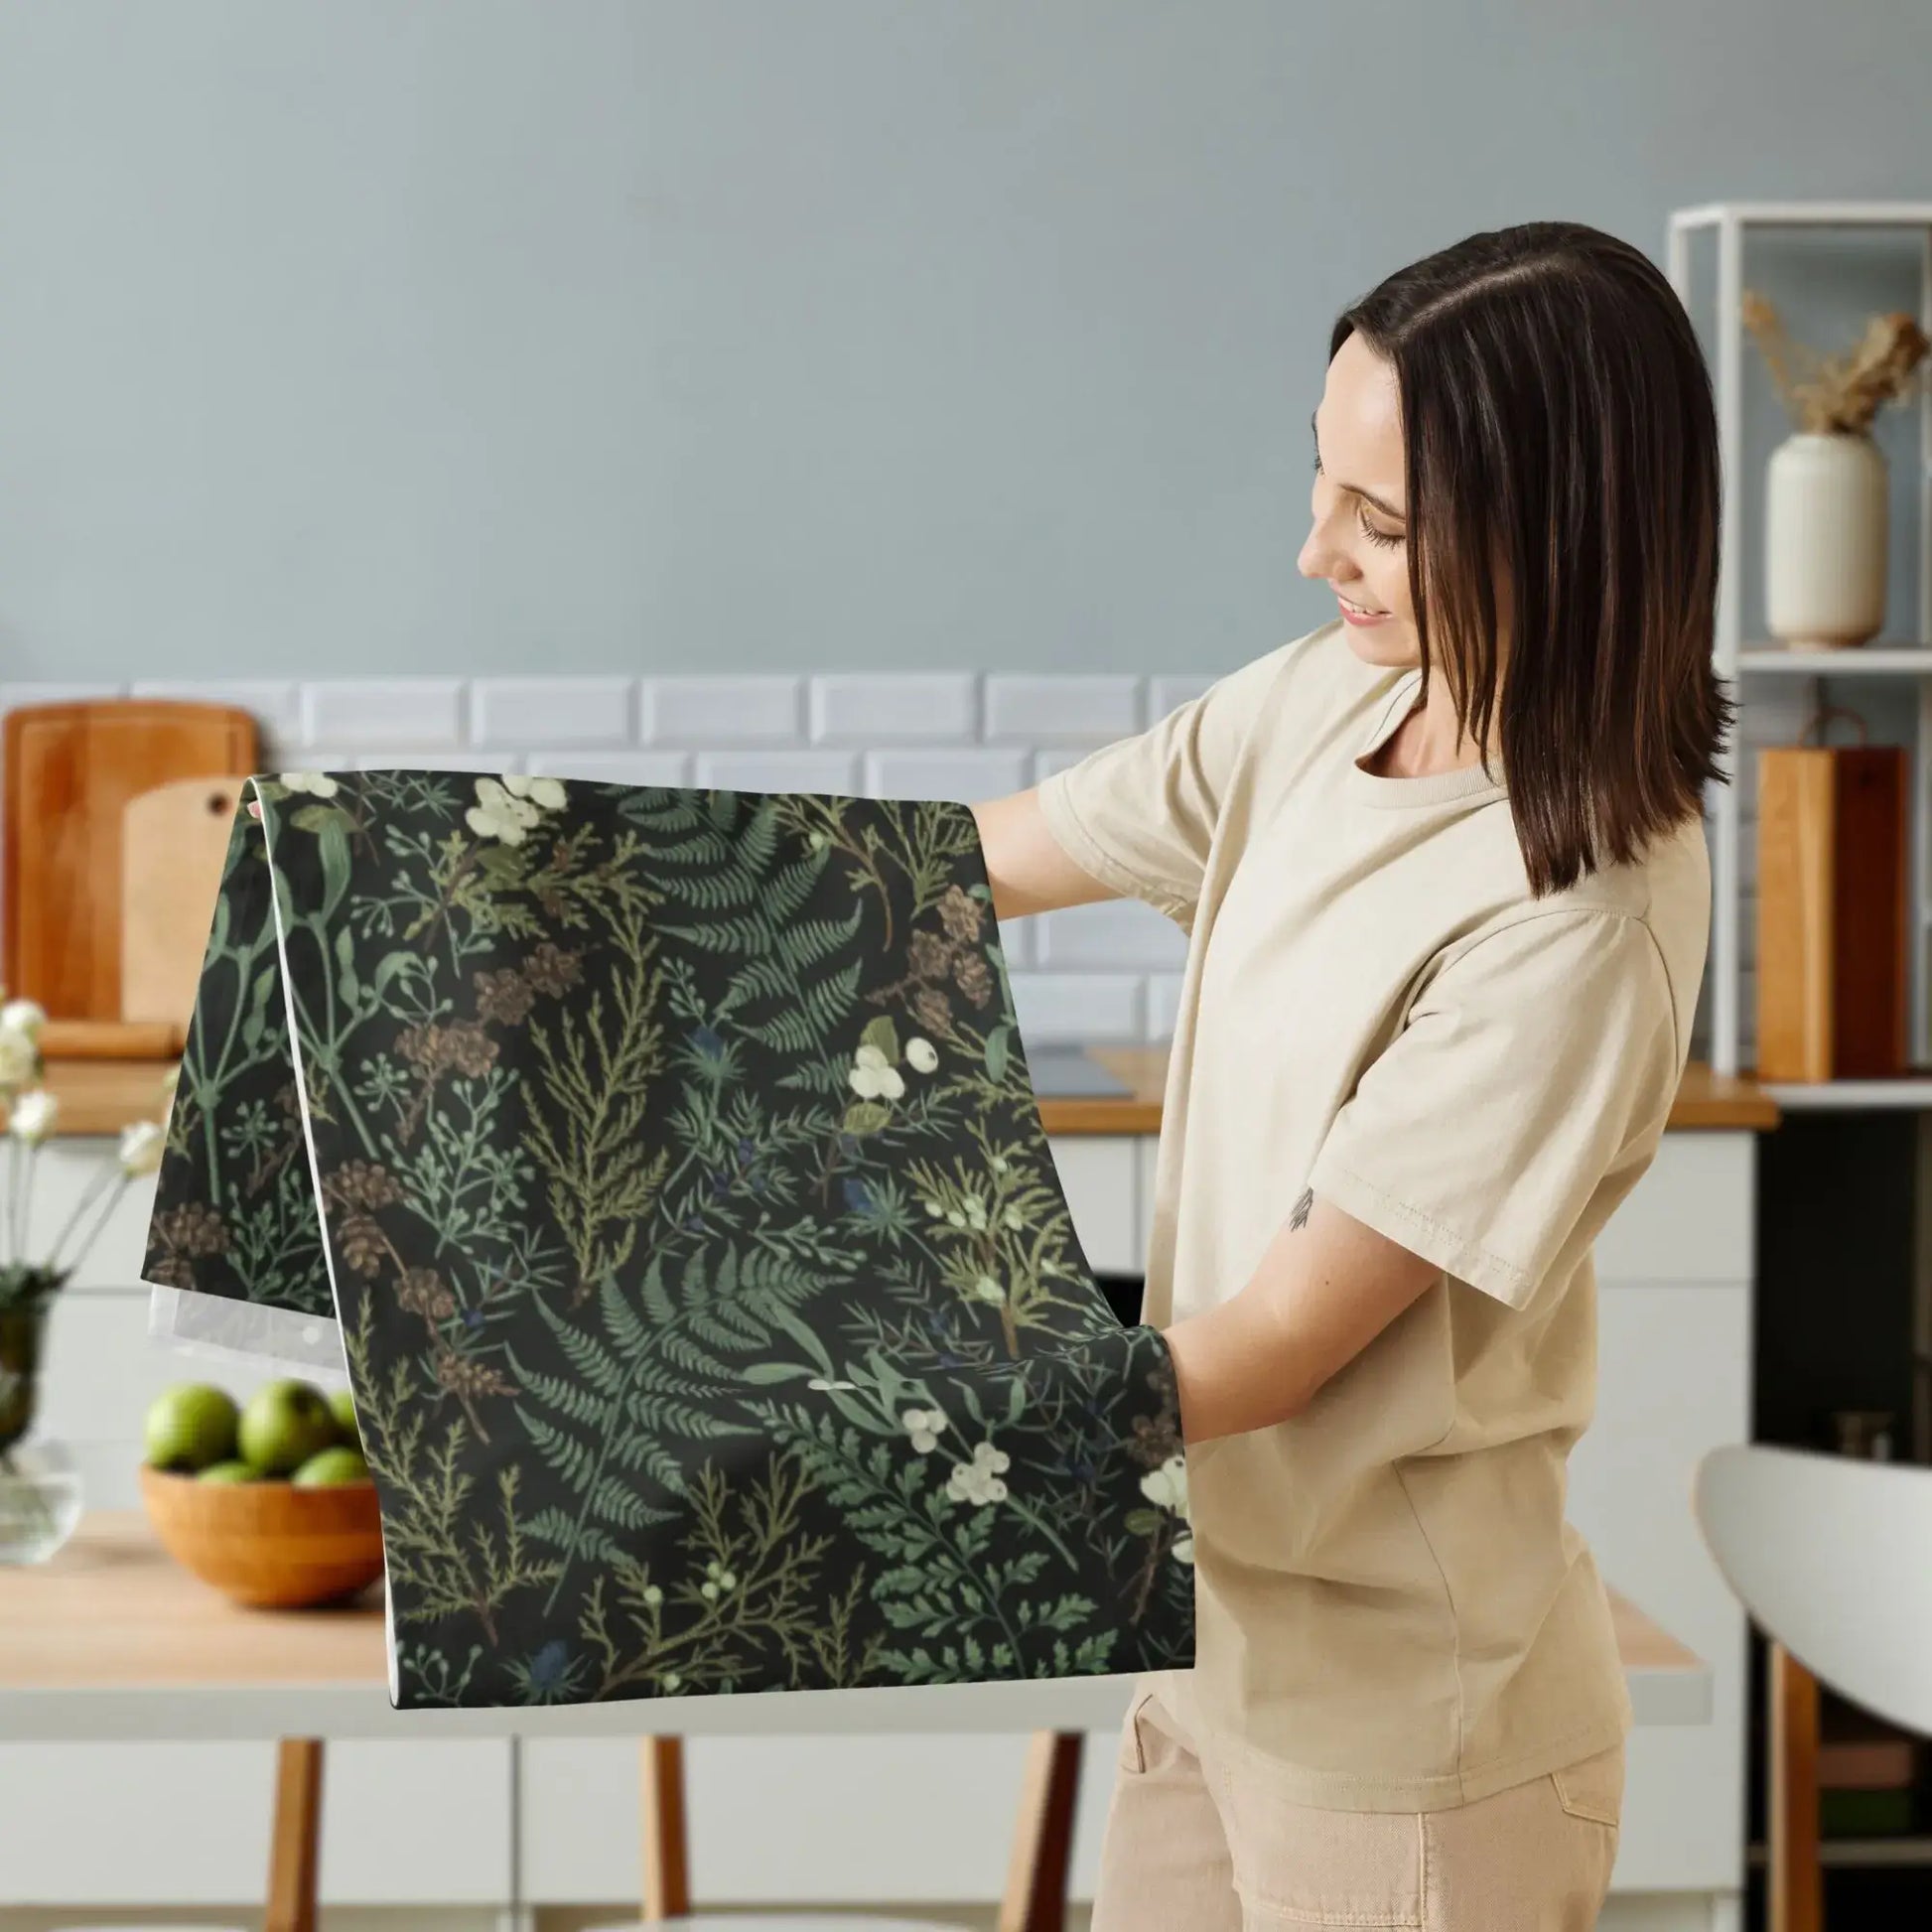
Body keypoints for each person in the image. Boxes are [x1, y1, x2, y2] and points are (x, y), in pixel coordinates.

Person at [971, 220, 1729, 1931]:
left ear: (1564, 530)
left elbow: (1280, 1347)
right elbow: (979, 859)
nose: (1314, 548)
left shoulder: (1575, 916)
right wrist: (564, 899)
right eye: (1325, 482)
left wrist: (876, 1409)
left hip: (1412, 1749)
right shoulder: (1330, 698)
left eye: (1382, 523)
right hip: (1213, 1649)